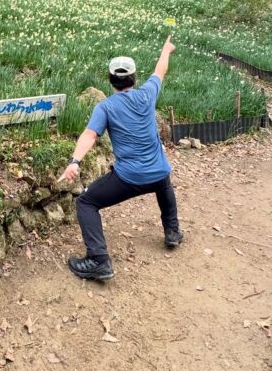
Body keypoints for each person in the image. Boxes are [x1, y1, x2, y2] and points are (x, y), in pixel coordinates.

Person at [60, 35, 183, 281]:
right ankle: (172, 232)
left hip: (130, 178)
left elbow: (90, 135)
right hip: (158, 171)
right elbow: (160, 70)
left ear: (110, 80)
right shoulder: (147, 94)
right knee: (163, 181)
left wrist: (75, 161)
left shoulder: (105, 107)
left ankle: (99, 260)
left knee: (86, 202)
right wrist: (166, 49)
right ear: (134, 79)